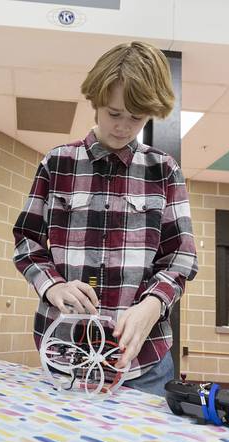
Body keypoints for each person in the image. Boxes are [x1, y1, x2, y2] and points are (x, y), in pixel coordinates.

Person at [12, 41, 198, 396]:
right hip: (65, 352)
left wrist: (152, 304)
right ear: (96, 100)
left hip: (144, 363)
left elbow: (181, 257)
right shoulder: (58, 164)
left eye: (137, 118)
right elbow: (27, 241)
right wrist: (53, 286)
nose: (124, 127)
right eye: (115, 114)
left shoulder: (163, 170)